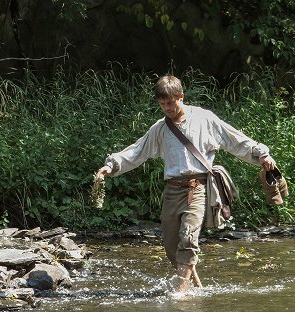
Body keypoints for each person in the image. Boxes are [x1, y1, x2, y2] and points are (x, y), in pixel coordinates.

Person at [96, 75, 278, 291]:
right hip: (172, 191)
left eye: (170, 103)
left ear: (181, 97)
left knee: (189, 237)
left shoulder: (205, 119)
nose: (166, 108)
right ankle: (196, 288)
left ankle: (180, 294)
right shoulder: (160, 128)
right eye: (162, 104)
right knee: (172, 246)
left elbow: (235, 140)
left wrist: (261, 154)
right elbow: (137, 151)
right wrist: (112, 165)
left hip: (197, 188)